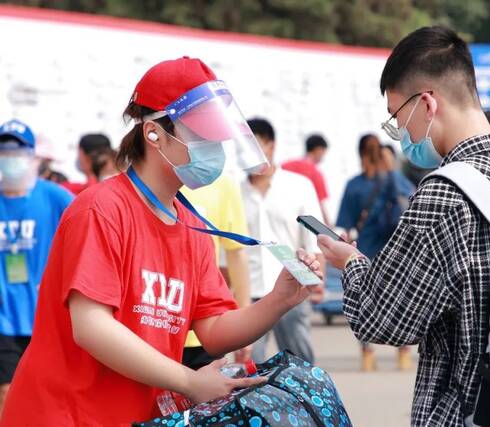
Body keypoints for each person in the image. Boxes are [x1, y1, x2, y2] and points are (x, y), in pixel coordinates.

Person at [0, 57, 321, 426]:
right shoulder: (102, 209)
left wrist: (279, 300)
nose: (214, 147)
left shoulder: (191, 226)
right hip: (65, 415)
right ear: (153, 134)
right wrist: (189, 381)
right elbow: (91, 327)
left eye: (216, 136)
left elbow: (213, 330)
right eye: (201, 134)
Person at [317, 26, 490, 426]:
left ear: (426, 103)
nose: (401, 133)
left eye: (397, 117)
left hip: (469, 411)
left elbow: (382, 318)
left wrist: (352, 262)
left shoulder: (442, 194)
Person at [0, 119, 73, 413]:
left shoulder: (53, 197)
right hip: (3, 316)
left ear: (32, 158)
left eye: (17, 154)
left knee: (45, 392)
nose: (10, 161)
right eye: (4, 154)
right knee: (7, 391)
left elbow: (89, 228)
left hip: (45, 315)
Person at [242, 118, 325, 364]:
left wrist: (317, 280)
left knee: (299, 364)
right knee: (249, 366)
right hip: (250, 292)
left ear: (271, 146)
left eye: (255, 147)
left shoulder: (298, 186)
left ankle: (306, 403)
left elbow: (313, 237)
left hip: (292, 288)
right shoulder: (235, 191)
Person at [337, 134, 415, 372]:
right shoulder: (395, 180)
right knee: (400, 299)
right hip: (395, 250)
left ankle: (367, 353)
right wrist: (391, 169)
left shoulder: (355, 185)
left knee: (364, 299)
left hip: (366, 250)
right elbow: (410, 201)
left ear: (360, 154)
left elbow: (345, 223)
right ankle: (403, 352)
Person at [181, 174, 253, 367]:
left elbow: (236, 253)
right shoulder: (139, 180)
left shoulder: (222, 184)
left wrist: (243, 324)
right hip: (150, 328)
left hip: (203, 330)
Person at [282, 134, 331, 224]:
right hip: (305, 220)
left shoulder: (286, 165)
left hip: (283, 214)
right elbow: (321, 204)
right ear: (318, 150)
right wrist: (328, 226)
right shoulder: (315, 173)